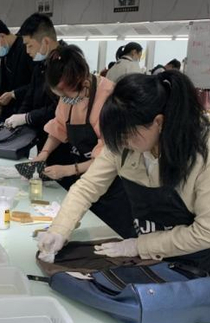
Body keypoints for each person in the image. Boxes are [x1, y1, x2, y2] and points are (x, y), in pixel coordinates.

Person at [38, 71, 210, 275]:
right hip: (148, 260)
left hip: (198, 266)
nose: (122, 143)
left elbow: (209, 232)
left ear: (158, 122)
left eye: (126, 135)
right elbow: (87, 187)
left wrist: (139, 246)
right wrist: (59, 230)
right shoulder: (123, 143)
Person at [32, 47, 135, 238]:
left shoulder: (109, 98)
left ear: (83, 81)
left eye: (66, 96)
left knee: (109, 236)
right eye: (60, 96)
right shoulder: (68, 96)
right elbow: (59, 127)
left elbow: (107, 158)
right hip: (87, 177)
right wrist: (44, 154)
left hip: (113, 183)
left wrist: (69, 170)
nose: (64, 100)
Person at [5, 13, 62, 154]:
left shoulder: (65, 66)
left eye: (29, 45)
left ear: (46, 42)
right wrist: (17, 120)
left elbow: (59, 108)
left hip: (61, 142)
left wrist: (27, 118)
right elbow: (30, 96)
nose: (27, 51)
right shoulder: (40, 65)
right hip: (42, 137)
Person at [0, 17, 33, 121]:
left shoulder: (27, 48)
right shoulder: (5, 54)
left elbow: (37, 83)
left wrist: (14, 94)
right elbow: (9, 86)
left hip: (26, 112)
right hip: (10, 114)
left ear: (1, 37)